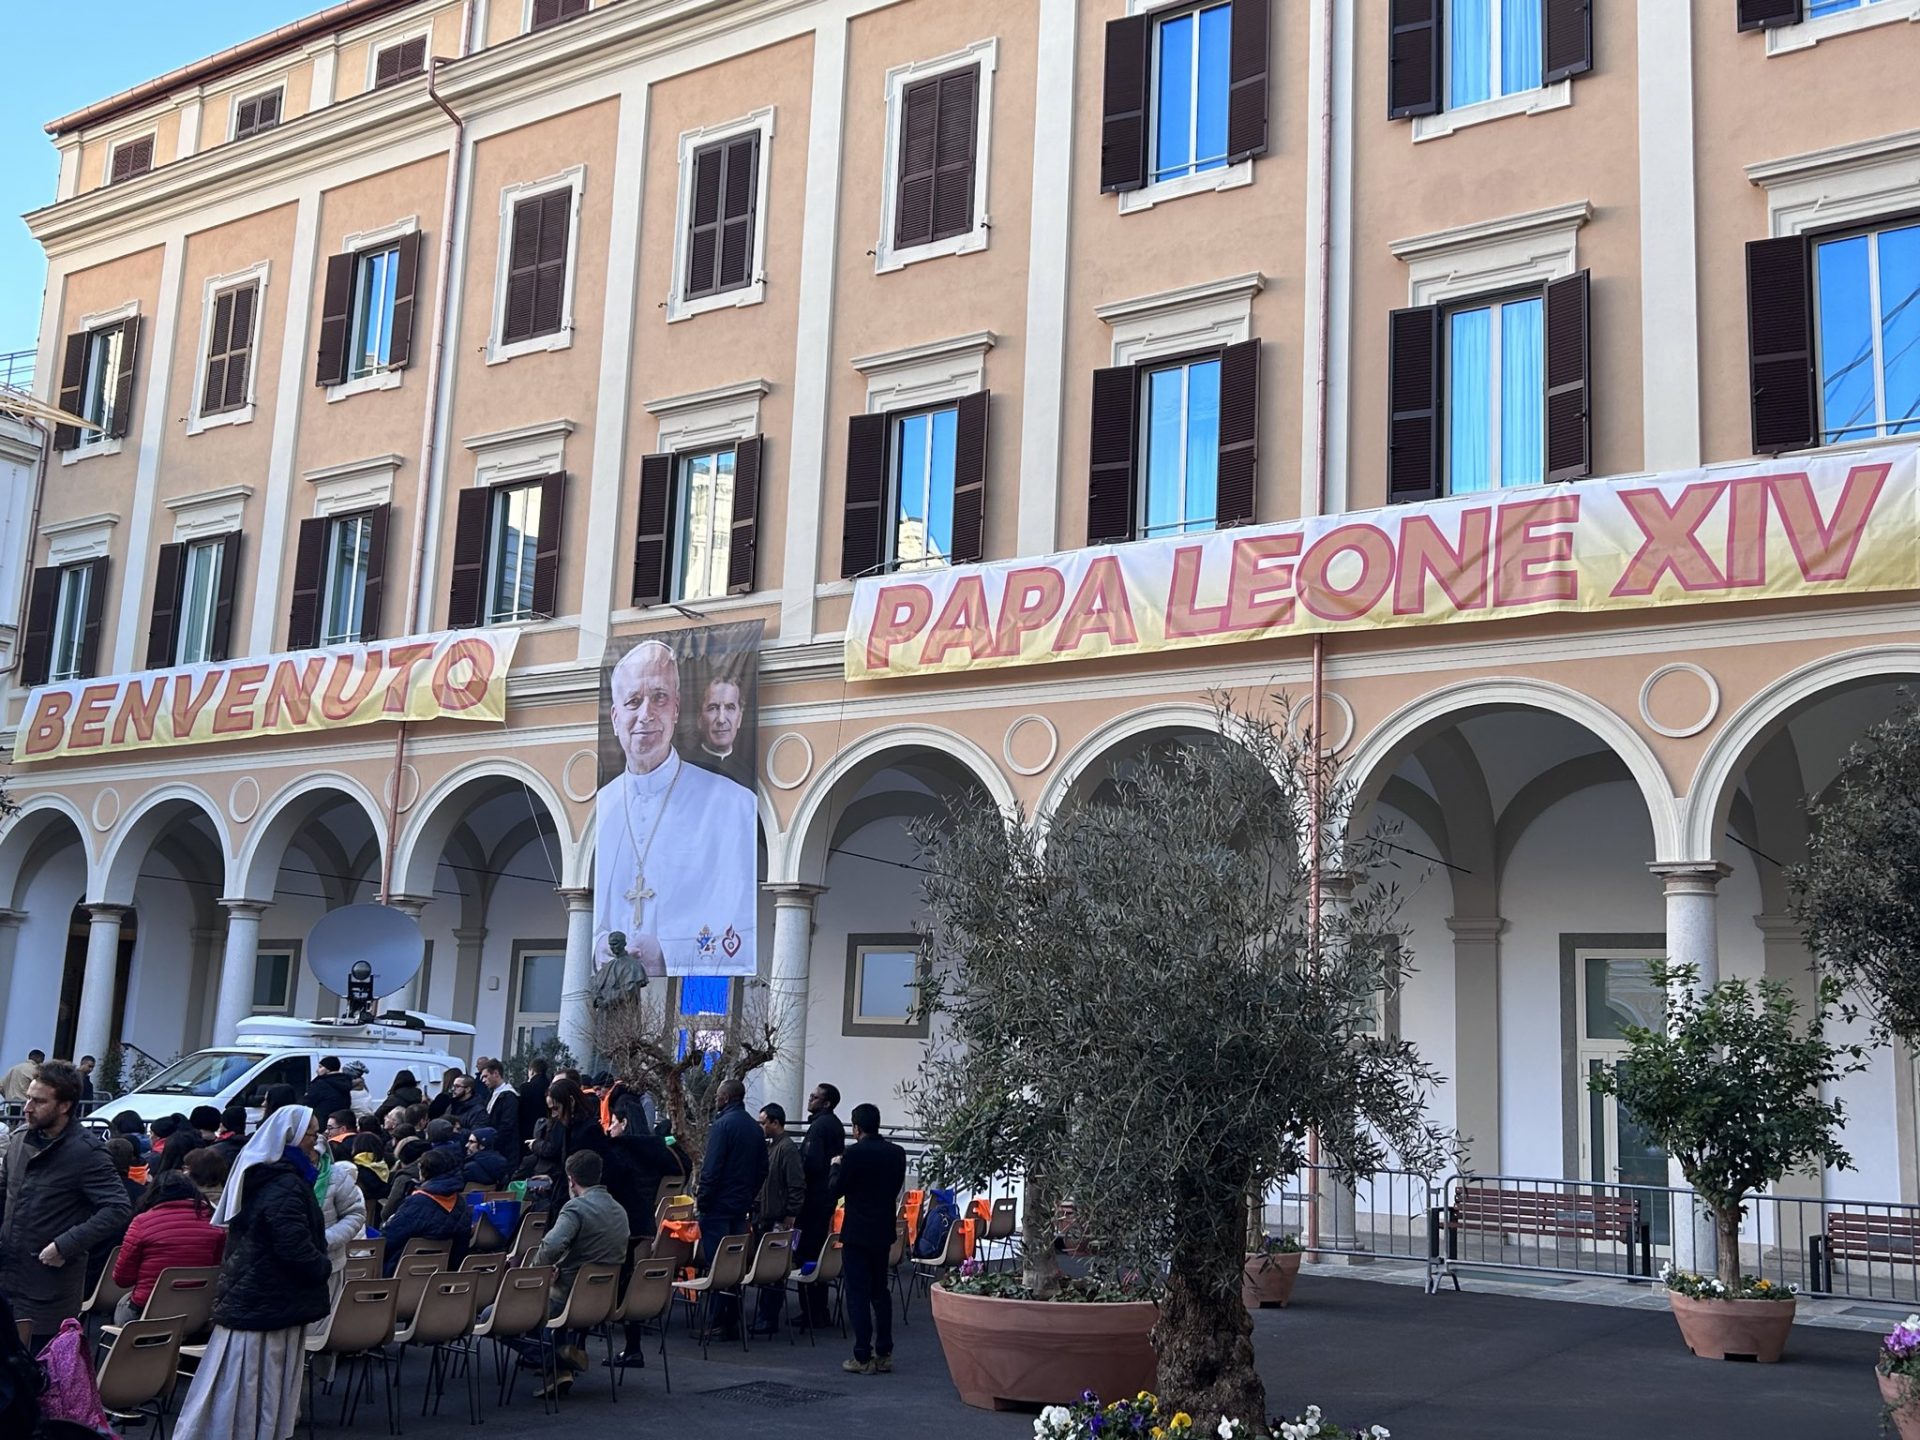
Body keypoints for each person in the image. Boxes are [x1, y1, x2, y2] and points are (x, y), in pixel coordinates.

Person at [592, 641, 757, 979]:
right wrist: (598, 948)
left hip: (690, 989)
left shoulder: (733, 803)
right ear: (615, 717)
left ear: (677, 709)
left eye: (659, 698)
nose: (646, 715)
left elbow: (742, 919)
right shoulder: (604, 805)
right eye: (634, 702)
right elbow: (595, 917)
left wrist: (668, 952)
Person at [172, 1106, 332, 1440]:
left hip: (261, 1293)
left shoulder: (271, 1176)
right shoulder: (285, 1183)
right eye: (311, 1133)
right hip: (268, 1295)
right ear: (290, 1137)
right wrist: (322, 1266)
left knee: (249, 1382)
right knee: (256, 1381)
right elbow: (292, 1245)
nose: (316, 1141)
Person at [0, 1060, 132, 1350]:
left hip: (46, 1291)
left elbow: (118, 1207)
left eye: (38, 1101)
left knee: (36, 1382)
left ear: (64, 1106)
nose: (27, 1107)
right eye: (28, 1098)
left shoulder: (86, 1152)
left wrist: (65, 1245)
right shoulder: (19, 1140)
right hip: (7, 1277)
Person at [519, 1149, 628, 1399]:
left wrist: (539, 1272)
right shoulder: (619, 1210)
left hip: (567, 1295)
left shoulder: (575, 1208)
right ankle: (561, 1365)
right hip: (602, 1299)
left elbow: (551, 1246)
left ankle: (557, 1359)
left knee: (492, 1315)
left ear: (571, 1180)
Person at [831, 1102, 907, 1376]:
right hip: (882, 1229)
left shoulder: (854, 1154)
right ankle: (884, 1352)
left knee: (857, 1293)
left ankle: (862, 1354)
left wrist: (836, 1167)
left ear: (856, 1127)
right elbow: (896, 1187)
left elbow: (836, 1189)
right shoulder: (896, 1153)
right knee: (880, 1291)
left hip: (857, 1231)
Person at [112, 1146, 230, 1324]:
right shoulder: (215, 1220)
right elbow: (216, 1268)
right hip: (198, 1313)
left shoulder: (142, 1223)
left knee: (123, 1304)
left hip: (146, 1314)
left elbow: (122, 1279)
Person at [695, 1078, 766, 1340]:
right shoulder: (754, 1128)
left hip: (718, 1205)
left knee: (717, 1265)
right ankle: (732, 1320)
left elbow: (711, 1169)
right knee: (733, 1263)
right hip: (740, 1204)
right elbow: (762, 1169)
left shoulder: (722, 1126)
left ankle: (715, 1321)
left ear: (724, 1098)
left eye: (717, 1096)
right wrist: (748, 1194)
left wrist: (703, 1200)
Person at [748, 1102, 805, 1336]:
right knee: (767, 1269)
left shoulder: (787, 1149)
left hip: (778, 1216)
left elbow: (796, 1184)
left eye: (764, 1122)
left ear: (775, 1122)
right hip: (766, 1213)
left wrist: (791, 1213)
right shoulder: (773, 1147)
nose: (761, 1127)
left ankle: (768, 1316)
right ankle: (765, 1314)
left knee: (773, 1270)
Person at [796, 1082, 846, 1326]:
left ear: (826, 1103)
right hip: (824, 1197)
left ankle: (812, 1312)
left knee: (808, 1252)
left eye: (815, 1097)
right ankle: (816, 1310)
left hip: (814, 1198)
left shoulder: (820, 1127)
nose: (810, 1099)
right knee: (815, 1251)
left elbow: (812, 1163)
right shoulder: (832, 1125)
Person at [378, 1149, 470, 1272]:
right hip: (443, 1274)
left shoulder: (417, 1203)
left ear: (423, 1171)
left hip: (402, 1272)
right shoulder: (460, 1203)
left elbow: (388, 1239)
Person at [689, 674, 754, 789]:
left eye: (730, 708)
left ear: (739, 718)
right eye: (713, 708)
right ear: (699, 718)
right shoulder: (685, 769)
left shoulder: (748, 776)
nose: (721, 719)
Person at [475, 1058, 520, 1158]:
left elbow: (507, 1125)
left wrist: (492, 1141)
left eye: (486, 1076)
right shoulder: (492, 1094)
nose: (483, 1080)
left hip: (504, 1150)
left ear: (496, 1073)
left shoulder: (509, 1096)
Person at [520, 1057, 551, 1154]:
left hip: (528, 1130)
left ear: (532, 1071)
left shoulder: (526, 1088)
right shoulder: (551, 1086)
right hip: (548, 1129)